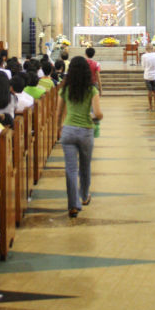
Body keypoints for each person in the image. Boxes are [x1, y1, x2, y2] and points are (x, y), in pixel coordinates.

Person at [56, 56, 102, 217]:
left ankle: (73, 205)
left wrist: (58, 129)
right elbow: (98, 114)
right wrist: (94, 117)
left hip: (68, 131)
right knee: (85, 166)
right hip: (85, 132)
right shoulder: (92, 90)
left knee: (70, 169)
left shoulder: (65, 89)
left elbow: (59, 112)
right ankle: (84, 196)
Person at [142, 43, 155, 111]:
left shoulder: (144, 56)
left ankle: (150, 106)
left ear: (146, 49)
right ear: (152, 48)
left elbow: (143, 66)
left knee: (149, 92)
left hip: (148, 76)